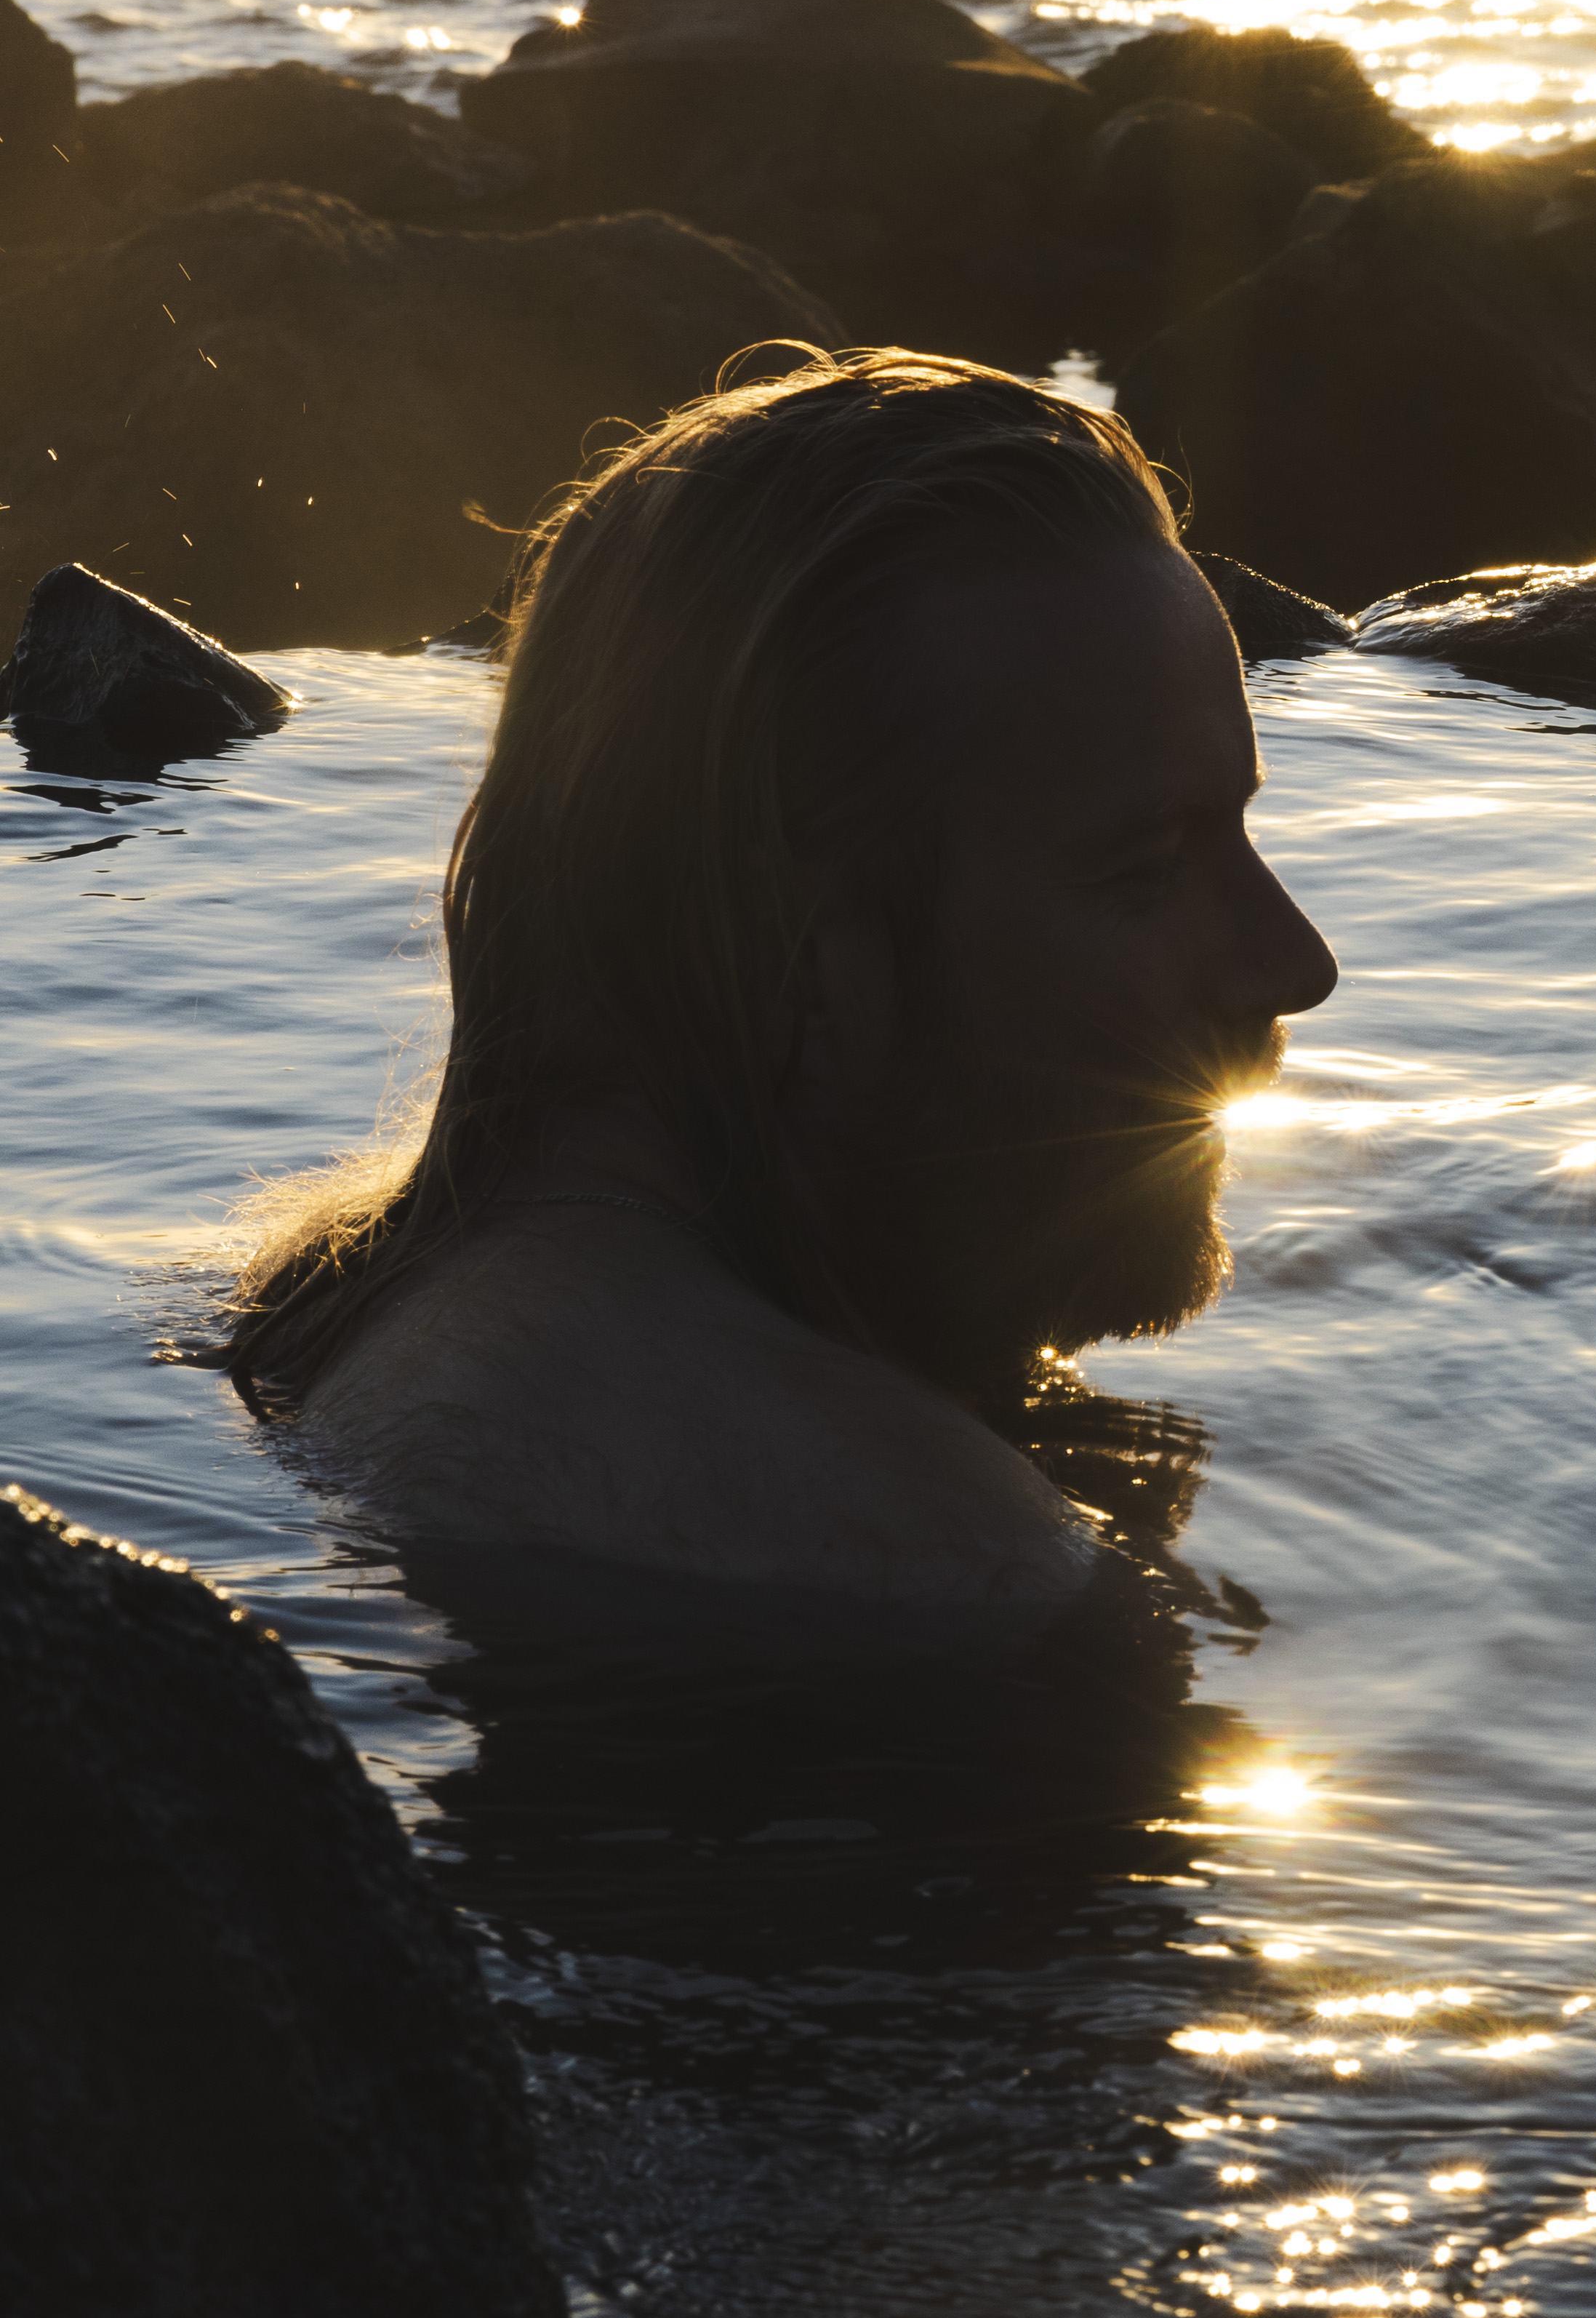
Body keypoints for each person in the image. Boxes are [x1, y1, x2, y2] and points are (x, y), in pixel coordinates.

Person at [218, 348, 1336, 1644]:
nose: (1295, 963)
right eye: (1144, 872)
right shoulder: (948, 1565)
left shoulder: (321, 1314)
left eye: (1240, 837)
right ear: (797, 945)